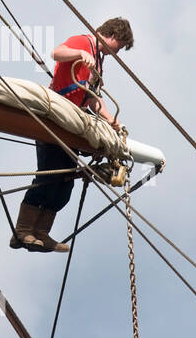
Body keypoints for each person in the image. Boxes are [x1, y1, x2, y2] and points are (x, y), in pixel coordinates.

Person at [12, 18, 134, 252]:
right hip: (56, 116)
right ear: (110, 36)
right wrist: (79, 53)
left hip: (72, 120)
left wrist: (110, 119)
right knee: (49, 175)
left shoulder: (98, 61)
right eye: (117, 47)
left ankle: (41, 233)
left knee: (64, 184)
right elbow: (57, 53)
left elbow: (91, 98)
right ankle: (23, 231)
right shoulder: (83, 42)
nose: (115, 53)